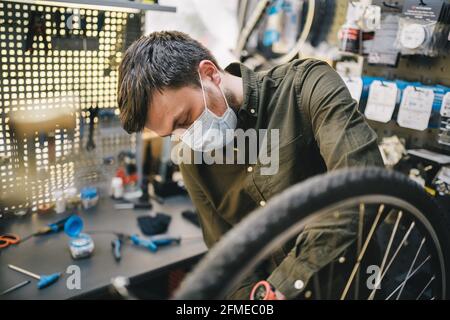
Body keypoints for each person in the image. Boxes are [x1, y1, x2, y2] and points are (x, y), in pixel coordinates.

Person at [117, 30, 383, 299]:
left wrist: (280, 288)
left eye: (185, 118)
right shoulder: (192, 158)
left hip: (354, 285)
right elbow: (228, 257)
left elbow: (361, 190)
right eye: (172, 133)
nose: (186, 137)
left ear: (210, 73)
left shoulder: (306, 86)